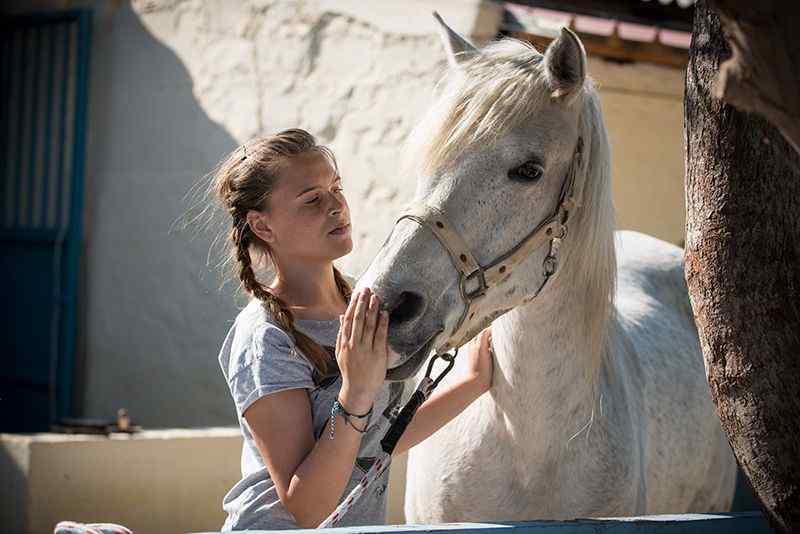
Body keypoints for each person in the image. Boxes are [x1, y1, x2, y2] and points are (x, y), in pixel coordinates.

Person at [210, 128, 493, 530]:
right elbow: (306, 508)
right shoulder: (265, 338)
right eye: (312, 199)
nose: (336, 206)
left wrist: (473, 381)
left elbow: (377, 441)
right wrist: (355, 393)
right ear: (263, 226)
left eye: (336, 188)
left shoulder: (364, 305)